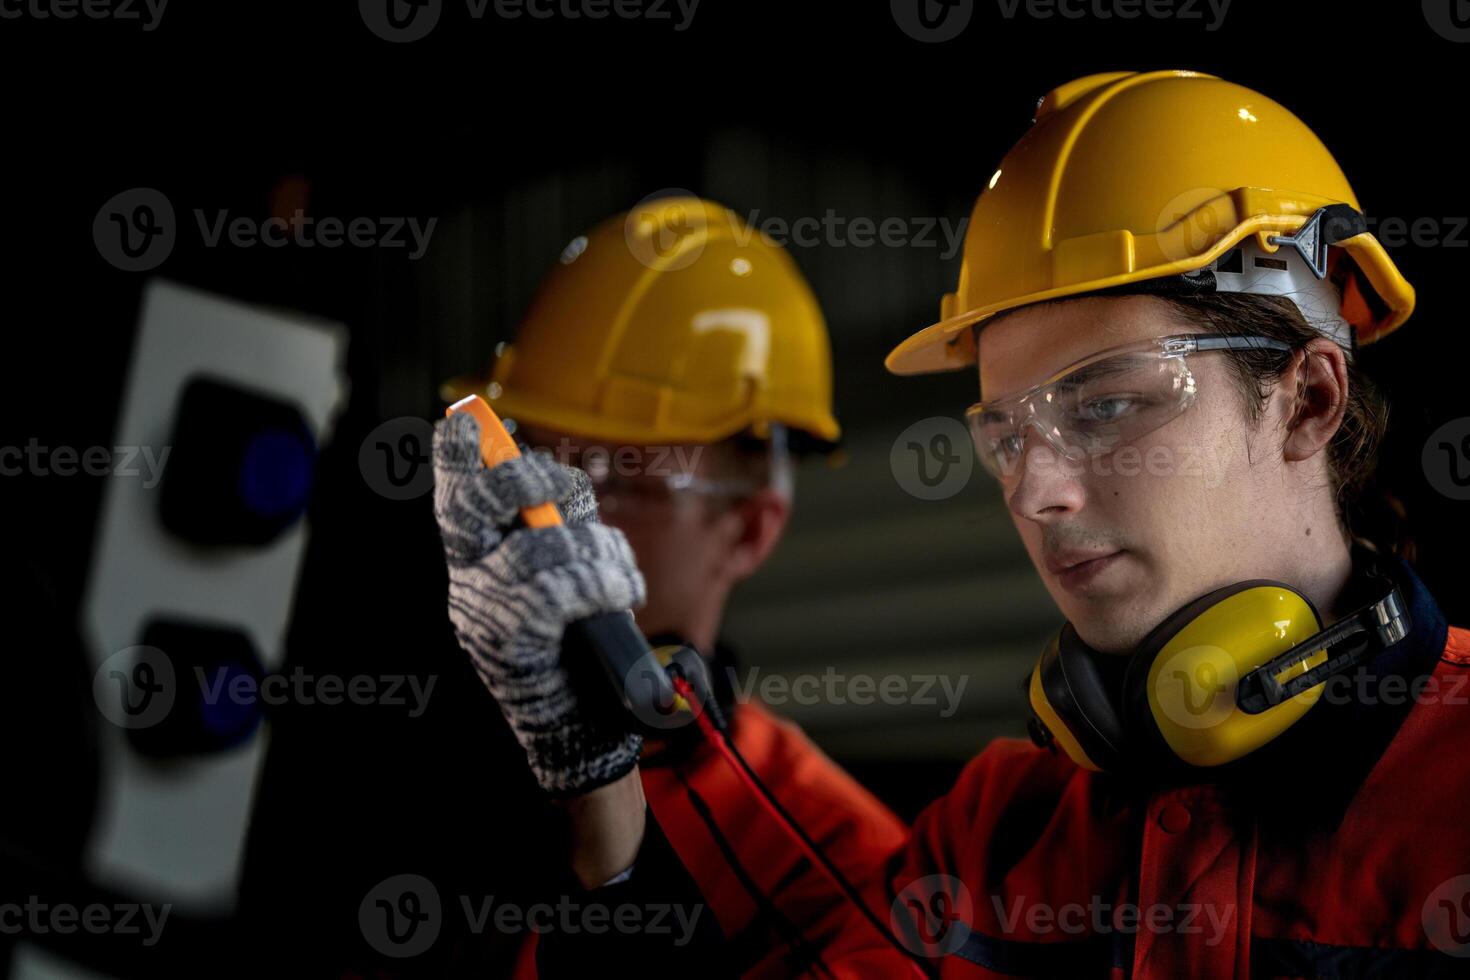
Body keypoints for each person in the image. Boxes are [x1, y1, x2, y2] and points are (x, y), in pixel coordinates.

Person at [432, 71, 1470, 977]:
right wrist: (601, 805)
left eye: (1107, 403)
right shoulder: (998, 831)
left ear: (1311, 396)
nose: (1036, 491)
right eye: (1006, 433)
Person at [438, 196, 905, 977]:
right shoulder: (438, 762)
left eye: (625, 480)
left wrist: (610, 852)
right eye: (544, 465)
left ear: (752, 528)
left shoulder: (833, 862)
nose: (562, 521)